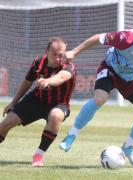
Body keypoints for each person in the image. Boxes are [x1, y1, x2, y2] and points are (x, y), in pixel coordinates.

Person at [59, 13, 133, 167]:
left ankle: (128, 147)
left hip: (130, 78)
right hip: (110, 70)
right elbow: (98, 37)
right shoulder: (127, 38)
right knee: (99, 99)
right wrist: (74, 52)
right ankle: (71, 135)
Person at [0, 37, 76, 167]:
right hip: (36, 100)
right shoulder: (38, 62)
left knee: (55, 116)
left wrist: (48, 81)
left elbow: (61, 77)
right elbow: (27, 82)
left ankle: (38, 155)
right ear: (46, 51)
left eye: (61, 55)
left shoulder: (69, 66)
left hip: (59, 104)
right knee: (6, 124)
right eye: (54, 54)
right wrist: (13, 103)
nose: (58, 58)